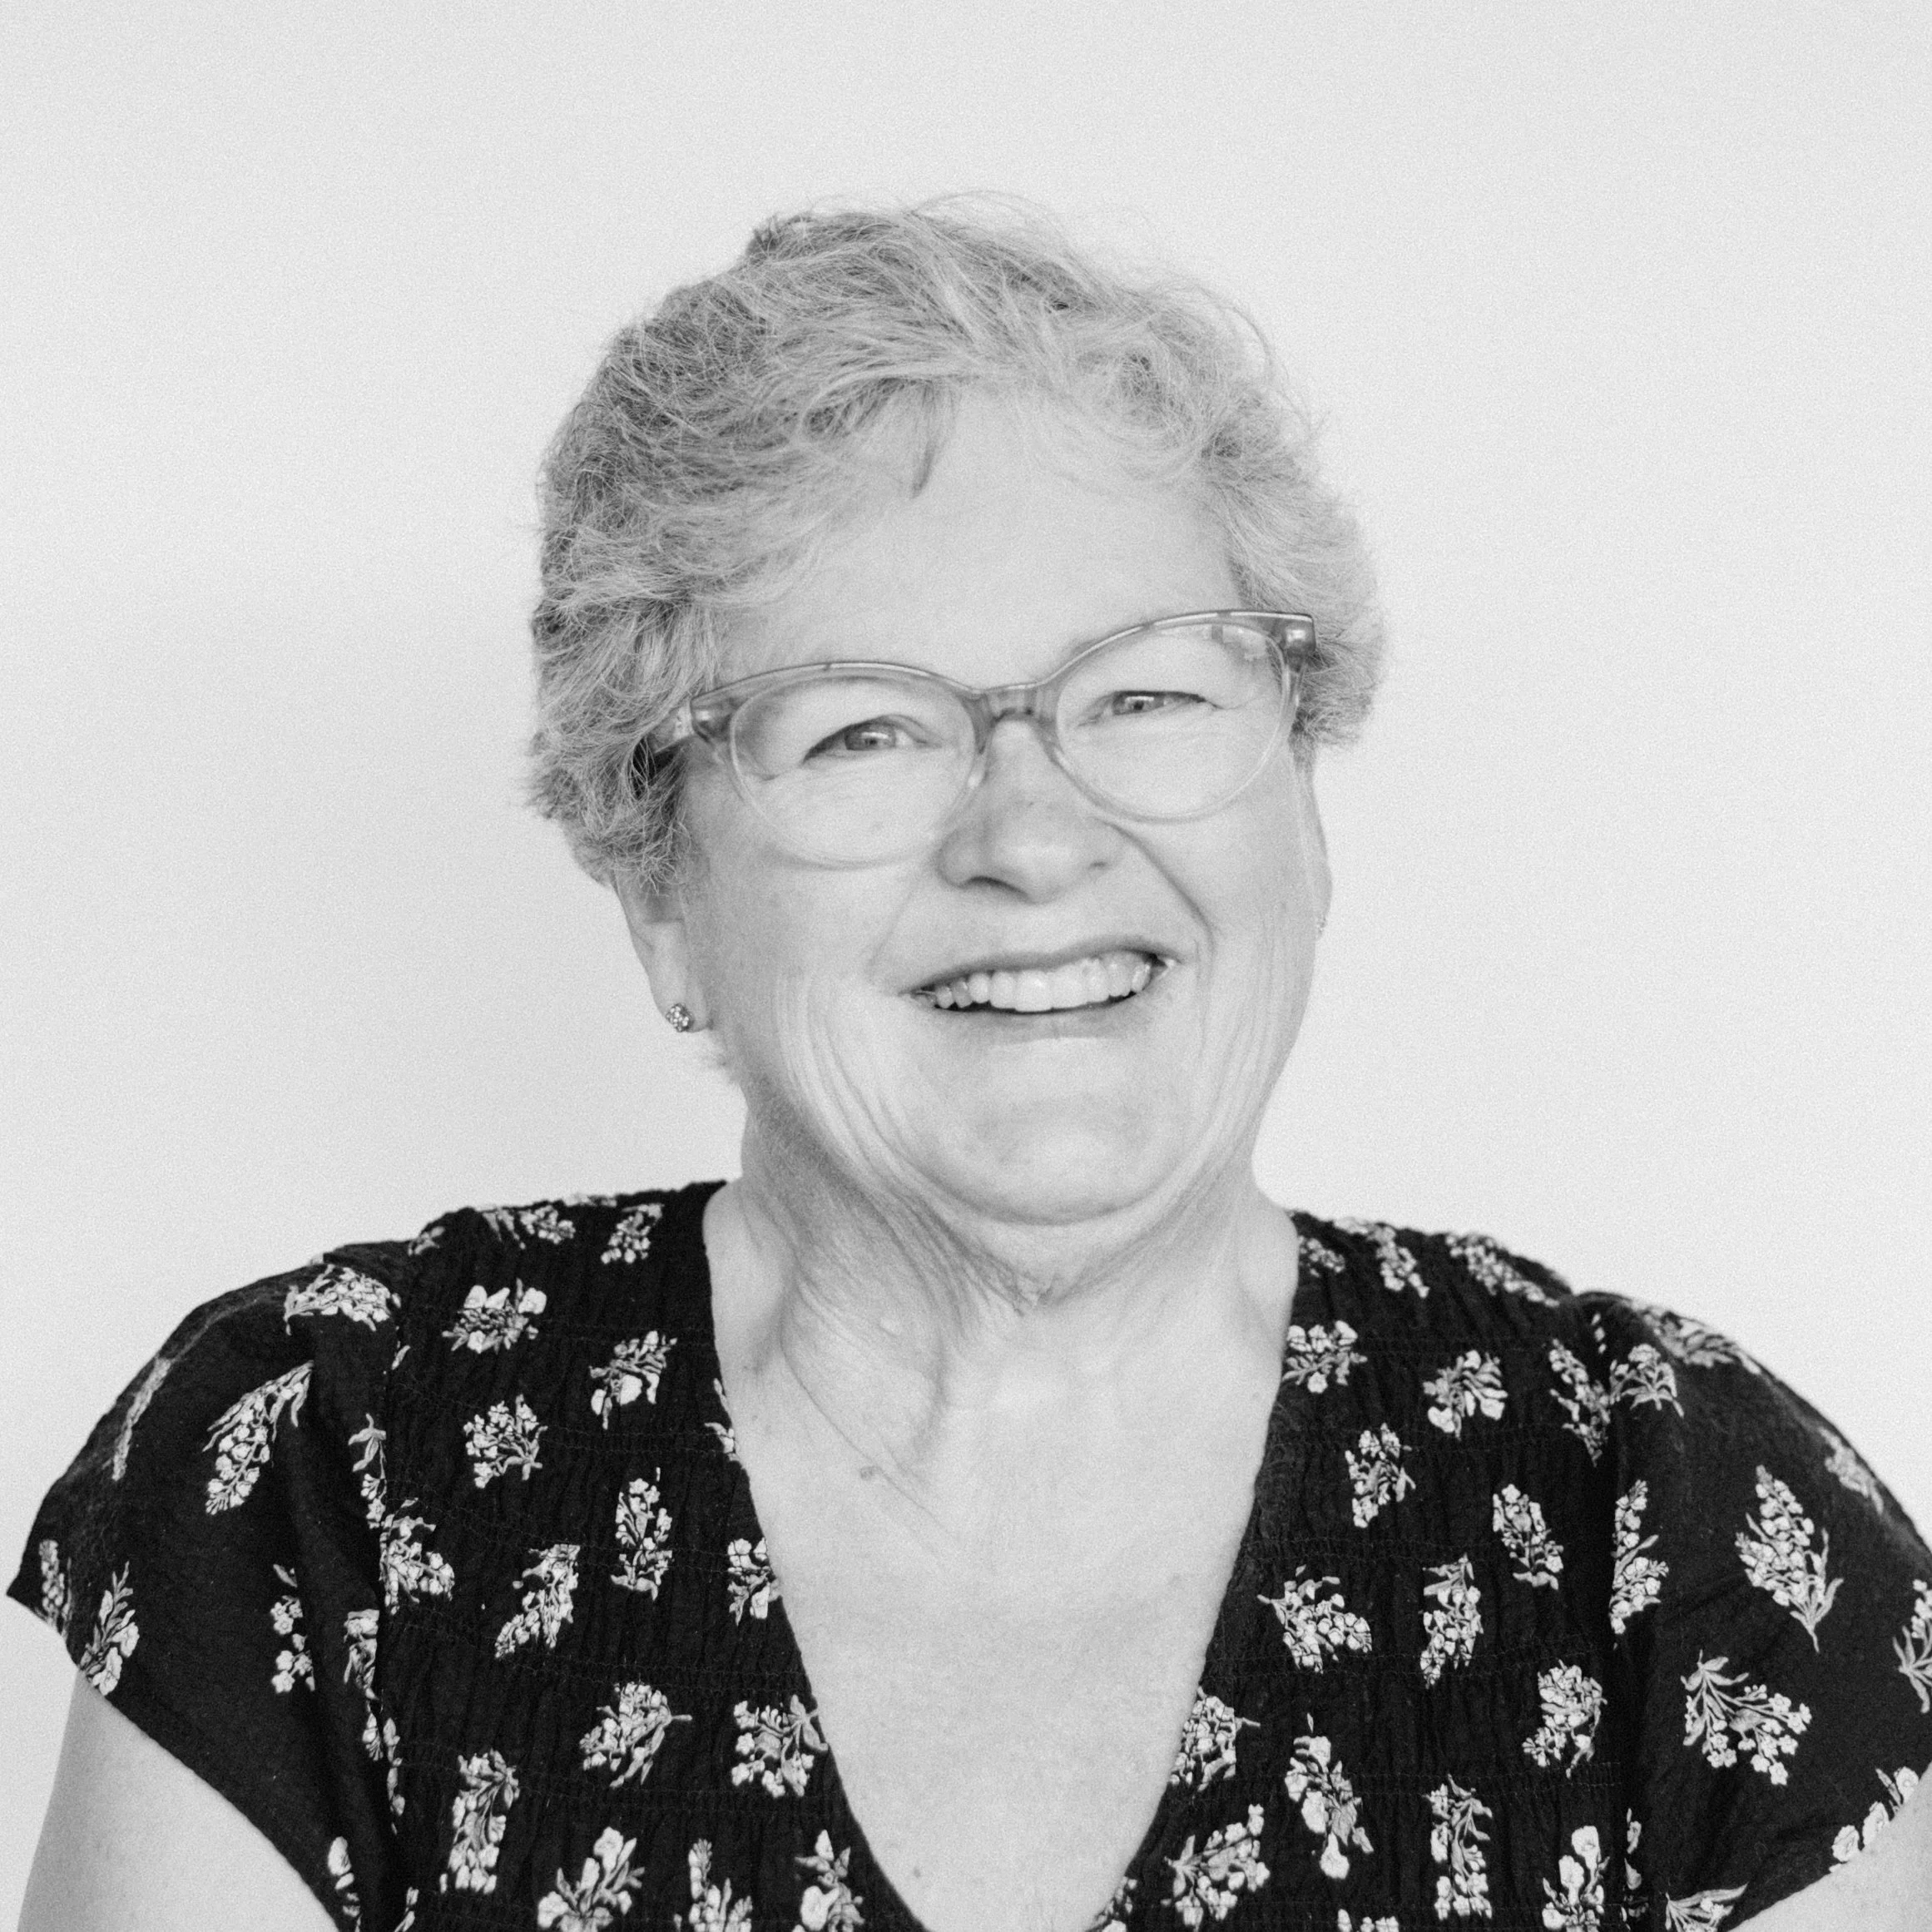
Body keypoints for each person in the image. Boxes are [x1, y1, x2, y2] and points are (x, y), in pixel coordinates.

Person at [14, 201, 1931, 1932]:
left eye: (1152, 694)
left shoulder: (1679, 1528)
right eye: (863, 732)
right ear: (661, 898)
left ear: (1304, 809)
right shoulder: (319, 1475)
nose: (1033, 832)